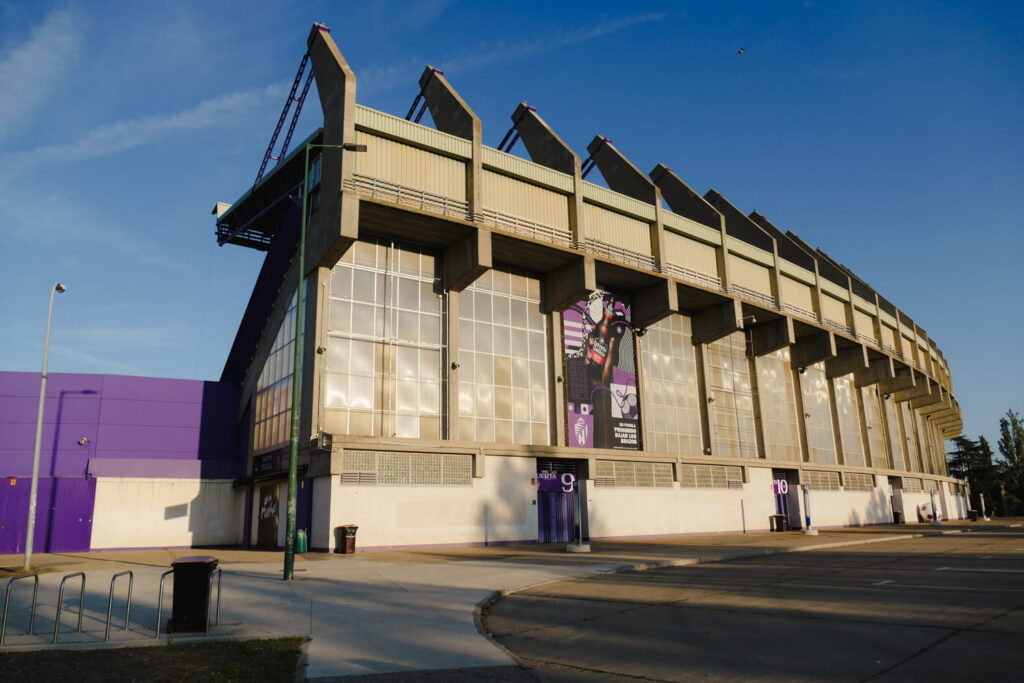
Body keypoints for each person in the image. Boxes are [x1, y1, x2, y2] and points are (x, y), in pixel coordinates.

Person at [584, 299, 617, 448]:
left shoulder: (603, 334)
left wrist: (608, 351)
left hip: (600, 383)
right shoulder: (598, 335)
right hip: (596, 382)